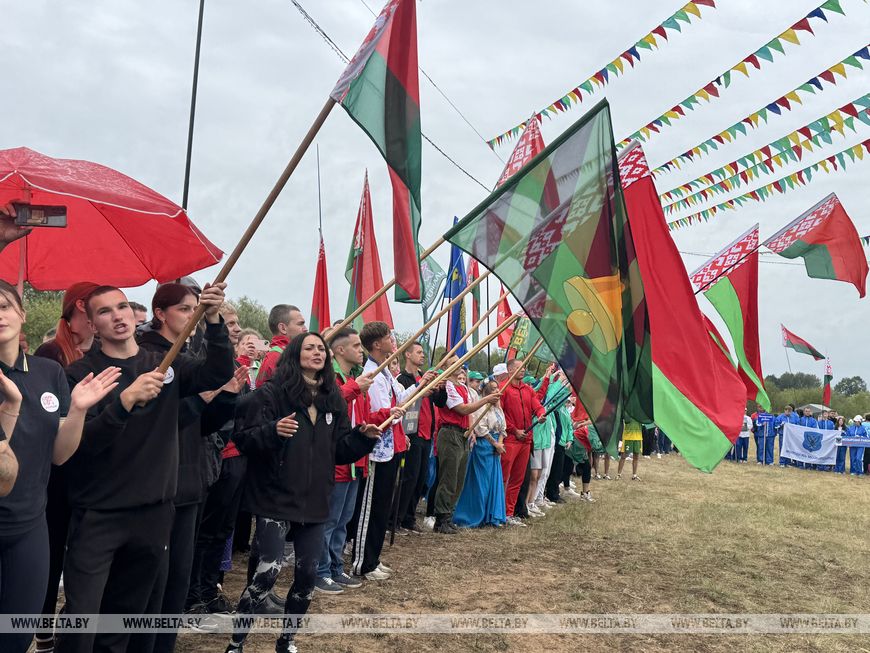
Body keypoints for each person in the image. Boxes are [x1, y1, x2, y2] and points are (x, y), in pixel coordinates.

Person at [57, 283, 233, 653]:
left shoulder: (165, 364)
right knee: (81, 623)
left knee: (124, 622)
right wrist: (123, 404)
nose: (117, 316)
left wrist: (214, 320)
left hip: (154, 513)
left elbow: (217, 373)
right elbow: (79, 448)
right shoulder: (81, 375)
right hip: (98, 515)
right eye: (104, 311)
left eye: (121, 306)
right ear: (91, 323)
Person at [226, 332, 385, 653]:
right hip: (274, 498)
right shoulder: (272, 393)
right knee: (265, 575)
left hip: (314, 501)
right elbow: (243, 438)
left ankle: (286, 642)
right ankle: (235, 644)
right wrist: (272, 431)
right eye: (309, 347)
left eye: (321, 349)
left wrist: (362, 438)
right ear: (295, 354)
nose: (317, 353)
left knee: (307, 577)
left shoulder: (332, 398)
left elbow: (339, 450)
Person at [0, 281, 119, 653]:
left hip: (30, 526)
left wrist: (79, 409)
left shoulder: (49, 372)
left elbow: (60, 455)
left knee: (17, 636)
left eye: (4, 306)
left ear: (22, 314)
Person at [135, 285, 246, 653]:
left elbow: (204, 419)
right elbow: (156, 422)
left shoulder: (186, 355)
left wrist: (224, 397)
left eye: (195, 308)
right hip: (153, 486)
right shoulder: (146, 356)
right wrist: (200, 400)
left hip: (189, 482)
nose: (192, 315)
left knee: (176, 582)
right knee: (150, 582)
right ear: (160, 313)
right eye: (185, 309)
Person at [32, 281, 100, 653]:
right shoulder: (51, 353)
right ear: (76, 312)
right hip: (57, 474)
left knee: (81, 558)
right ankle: (42, 631)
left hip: (90, 473)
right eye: (94, 311)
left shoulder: (102, 353)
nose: (98, 319)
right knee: (52, 553)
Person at [352, 322, 430, 578]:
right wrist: (392, 413)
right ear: (377, 344)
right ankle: (363, 562)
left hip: (391, 448)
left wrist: (421, 385)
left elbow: (402, 398)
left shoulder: (385, 371)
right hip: (377, 450)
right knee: (371, 508)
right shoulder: (372, 374)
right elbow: (378, 412)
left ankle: (373, 559)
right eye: (388, 337)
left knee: (383, 506)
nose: (393, 340)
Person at [315, 328, 381, 595]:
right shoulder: (330, 378)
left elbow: (361, 418)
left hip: (355, 459)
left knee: (343, 520)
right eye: (355, 345)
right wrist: (354, 388)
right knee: (329, 520)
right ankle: (320, 571)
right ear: (339, 350)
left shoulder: (355, 379)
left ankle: (334, 567)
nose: (361, 350)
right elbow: (326, 404)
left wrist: (385, 416)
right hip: (336, 458)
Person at [432, 367, 500, 534]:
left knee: (459, 479)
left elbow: (469, 414)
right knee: (449, 478)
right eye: (453, 363)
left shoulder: (462, 387)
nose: (458, 365)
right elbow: (463, 409)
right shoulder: (448, 386)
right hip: (450, 433)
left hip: (463, 434)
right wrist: (486, 399)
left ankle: (449, 515)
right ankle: (441, 518)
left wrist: (471, 430)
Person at [454, 379, 507, 528]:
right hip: (484, 446)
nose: (497, 391)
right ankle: (476, 514)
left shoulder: (498, 408)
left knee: (493, 482)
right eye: (493, 389)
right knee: (481, 483)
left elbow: (503, 427)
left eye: (497, 388)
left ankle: (491, 515)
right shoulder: (482, 407)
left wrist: (500, 443)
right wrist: (494, 443)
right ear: (487, 392)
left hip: (496, 448)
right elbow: (480, 428)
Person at [498, 360, 546, 526]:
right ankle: (498, 512)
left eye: (524, 367)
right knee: (504, 477)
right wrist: (514, 430)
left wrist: (541, 414)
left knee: (518, 479)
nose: (523, 369)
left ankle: (509, 513)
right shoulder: (503, 388)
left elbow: (537, 406)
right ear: (510, 370)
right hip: (510, 439)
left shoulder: (528, 389)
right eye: (519, 367)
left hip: (526, 440)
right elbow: (500, 414)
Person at [255, 304, 307, 387]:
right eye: (300, 324)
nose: (305, 329)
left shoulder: (287, 354)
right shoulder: (277, 357)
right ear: (283, 328)